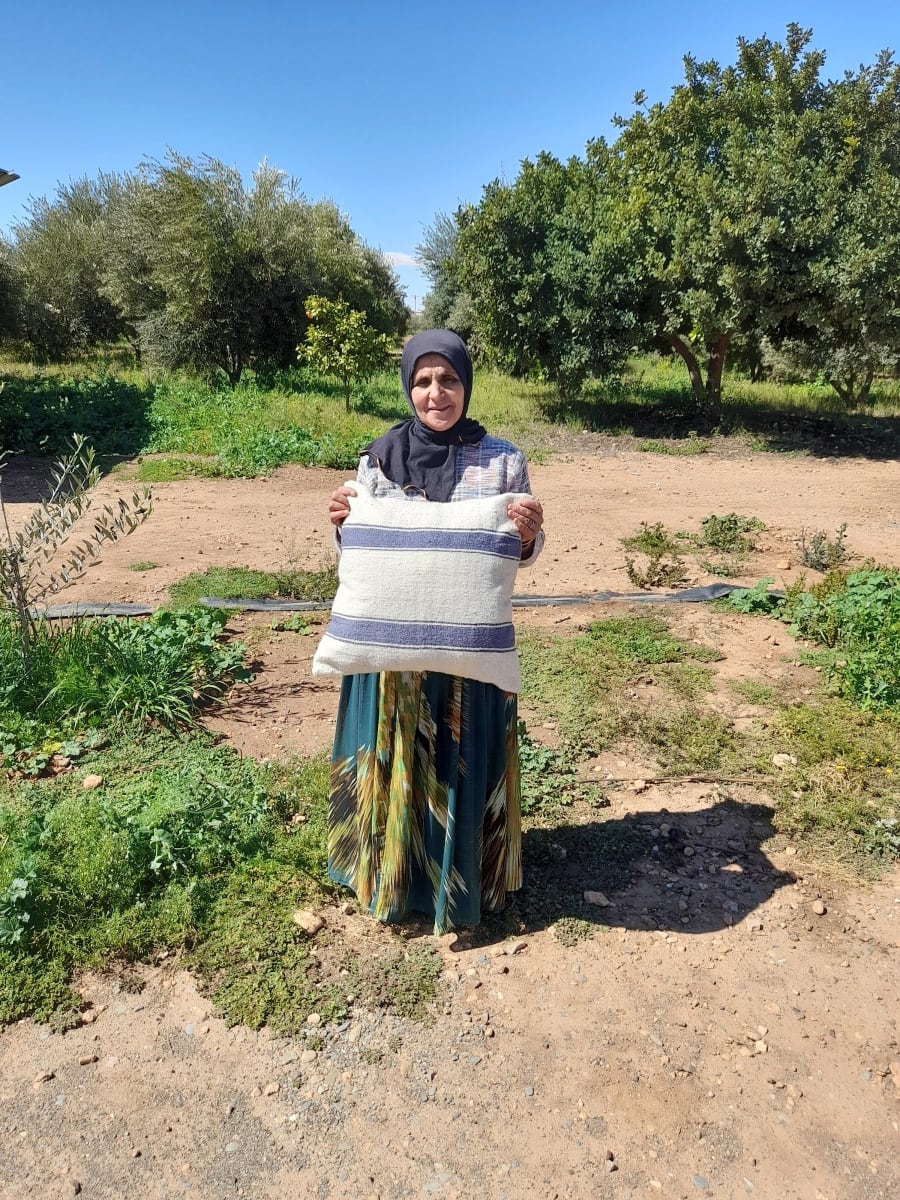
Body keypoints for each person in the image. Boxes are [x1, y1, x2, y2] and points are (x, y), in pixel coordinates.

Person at [326, 329, 544, 934]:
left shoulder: (503, 460)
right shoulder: (379, 458)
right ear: (407, 387)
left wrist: (527, 534)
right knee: (396, 755)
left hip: (468, 655)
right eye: (422, 381)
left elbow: (520, 555)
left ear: (466, 384)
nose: (435, 393)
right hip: (392, 656)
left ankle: (468, 878)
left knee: (461, 760)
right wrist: (344, 523)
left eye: (448, 379)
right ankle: (391, 876)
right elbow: (362, 555)